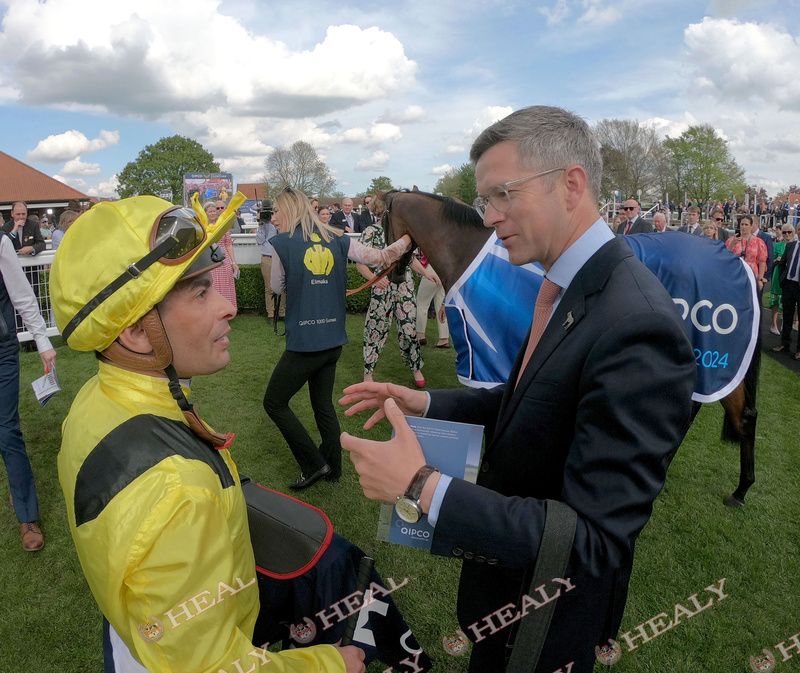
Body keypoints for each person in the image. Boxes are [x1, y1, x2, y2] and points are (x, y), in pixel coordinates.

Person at [340, 105, 696, 673]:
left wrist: (419, 485)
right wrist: (426, 402)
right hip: (506, 596)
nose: (489, 216)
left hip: (542, 627)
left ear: (571, 185)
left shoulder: (636, 323)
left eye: (504, 194)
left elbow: (596, 542)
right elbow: (530, 400)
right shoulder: (567, 285)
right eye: (486, 200)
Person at [50, 194, 364, 673]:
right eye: (199, 292)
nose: (227, 307)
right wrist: (334, 664)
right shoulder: (179, 490)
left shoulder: (94, 399)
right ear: (135, 332)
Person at [265, 188, 412, 489]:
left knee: (274, 403)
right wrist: (410, 237)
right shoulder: (339, 238)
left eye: (277, 211)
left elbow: (277, 287)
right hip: (333, 340)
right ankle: (333, 468)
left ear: (289, 210)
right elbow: (381, 257)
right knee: (323, 405)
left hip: (305, 343)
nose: (273, 217)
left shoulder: (280, 243)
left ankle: (314, 463)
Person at [0, 232, 56, 551]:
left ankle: (27, 514)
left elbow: (22, 296)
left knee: (7, 432)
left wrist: (43, 341)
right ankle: (17, 481)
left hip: (2, 352)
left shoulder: (1, 242)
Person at [356, 195, 434, 388]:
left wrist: (426, 274)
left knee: (409, 329)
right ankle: (368, 372)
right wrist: (374, 278)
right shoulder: (370, 232)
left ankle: (416, 368)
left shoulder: (402, 233)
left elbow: (411, 260)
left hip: (404, 287)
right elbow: (360, 263)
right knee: (376, 328)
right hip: (382, 288)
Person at [205, 200, 239, 311]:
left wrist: (233, 262)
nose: (213, 213)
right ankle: (213, 310)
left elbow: (229, 244)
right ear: (205, 213)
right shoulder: (203, 228)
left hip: (224, 259)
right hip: (210, 259)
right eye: (210, 211)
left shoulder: (224, 225)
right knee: (212, 285)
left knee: (226, 284)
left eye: (214, 211)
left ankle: (227, 309)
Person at [772, 223, 800, 359]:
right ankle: (784, 344)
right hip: (789, 285)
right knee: (787, 316)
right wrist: (783, 280)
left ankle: (799, 350)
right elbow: (782, 263)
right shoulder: (790, 246)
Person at [255, 200, 285, 320]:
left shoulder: (279, 220)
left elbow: (283, 236)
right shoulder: (263, 224)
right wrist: (261, 225)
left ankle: (282, 312)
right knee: (269, 288)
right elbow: (259, 241)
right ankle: (271, 314)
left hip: (280, 257)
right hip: (267, 258)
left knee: (282, 286)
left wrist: (276, 222)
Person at [725, 215, 768, 293]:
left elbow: (762, 262)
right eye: (742, 224)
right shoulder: (731, 240)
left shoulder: (759, 242)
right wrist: (732, 244)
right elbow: (725, 257)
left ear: (751, 226)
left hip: (752, 274)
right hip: (735, 274)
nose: (743, 227)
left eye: (746, 224)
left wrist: (760, 279)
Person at [415, 252, 449, 348]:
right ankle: (444, 338)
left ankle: (420, 334)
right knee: (440, 304)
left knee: (422, 302)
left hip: (432, 267)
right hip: (444, 267)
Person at [769, 225, 793, 335]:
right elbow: (771, 262)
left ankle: (785, 323)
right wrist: (776, 260)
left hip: (790, 278)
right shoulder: (777, 245)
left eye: (789, 232)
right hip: (778, 275)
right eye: (784, 232)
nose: (787, 234)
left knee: (788, 302)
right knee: (775, 302)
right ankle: (773, 325)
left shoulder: (796, 245)